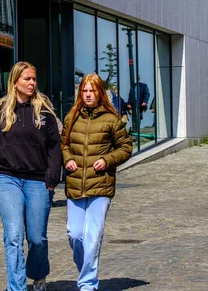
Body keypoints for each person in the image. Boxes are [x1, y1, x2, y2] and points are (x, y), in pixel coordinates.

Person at [0, 61, 61, 291]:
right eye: (27, 79)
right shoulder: (0, 111)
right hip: (7, 179)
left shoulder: (44, 112)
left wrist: (52, 179)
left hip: (38, 181)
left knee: (37, 238)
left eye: (34, 79)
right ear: (15, 82)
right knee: (13, 234)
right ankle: (17, 287)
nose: (32, 83)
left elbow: (55, 148)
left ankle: (38, 275)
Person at [62, 73, 132, 291]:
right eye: (85, 91)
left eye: (92, 91)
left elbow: (125, 149)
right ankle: (85, 269)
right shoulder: (71, 117)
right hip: (75, 185)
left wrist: (106, 160)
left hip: (101, 185)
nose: (88, 95)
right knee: (75, 235)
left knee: (92, 237)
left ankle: (87, 284)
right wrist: (68, 160)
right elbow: (63, 145)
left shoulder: (112, 120)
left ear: (100, 93)